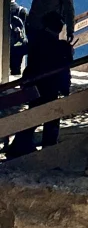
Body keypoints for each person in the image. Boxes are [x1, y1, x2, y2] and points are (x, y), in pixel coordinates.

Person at [9, 11, 73, 156]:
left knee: (32, 116)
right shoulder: (61, 46)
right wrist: (65, 88)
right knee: (52, 118)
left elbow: (26, 58)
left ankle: (20, 146)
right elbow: (65, 67)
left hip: (35, 84)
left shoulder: (36, 41)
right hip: (51, 87)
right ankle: (48, 148)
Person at [7, 0, 27, 76]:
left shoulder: (2, 9)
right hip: (18, 45)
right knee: (16, 69)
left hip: (3, 43)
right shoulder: (22, 10)